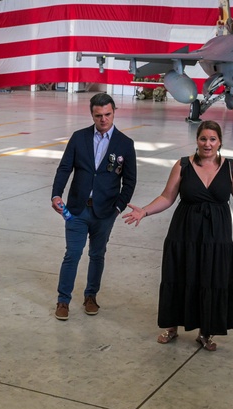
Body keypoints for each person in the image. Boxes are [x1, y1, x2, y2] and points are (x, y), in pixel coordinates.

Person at [123, 120, 233, 351]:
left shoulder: (231, 167)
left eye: (212, 139)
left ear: (220, 142)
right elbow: (167, 197)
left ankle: (205, 332)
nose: (207, 144)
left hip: (217, 235)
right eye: (203, 139)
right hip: (184, 232)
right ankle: (171, 327)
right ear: (197, 140)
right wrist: (145, 211)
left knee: (212, 279)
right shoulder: (182, 165)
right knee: (179, 276)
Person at [51, 93, 136, 320]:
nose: (103, 119)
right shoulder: (79, 138)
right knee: (73, 254)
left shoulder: (125, 144)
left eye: (107, 114)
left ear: (114, 112)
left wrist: (118, 208)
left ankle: (91, 296)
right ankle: (63, 300)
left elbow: (129, 181)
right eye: (98, 115)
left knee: (98, 255)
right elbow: (64, 168)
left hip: (105, 212)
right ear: (92, 114)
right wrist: (56, 195)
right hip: (77, 209)